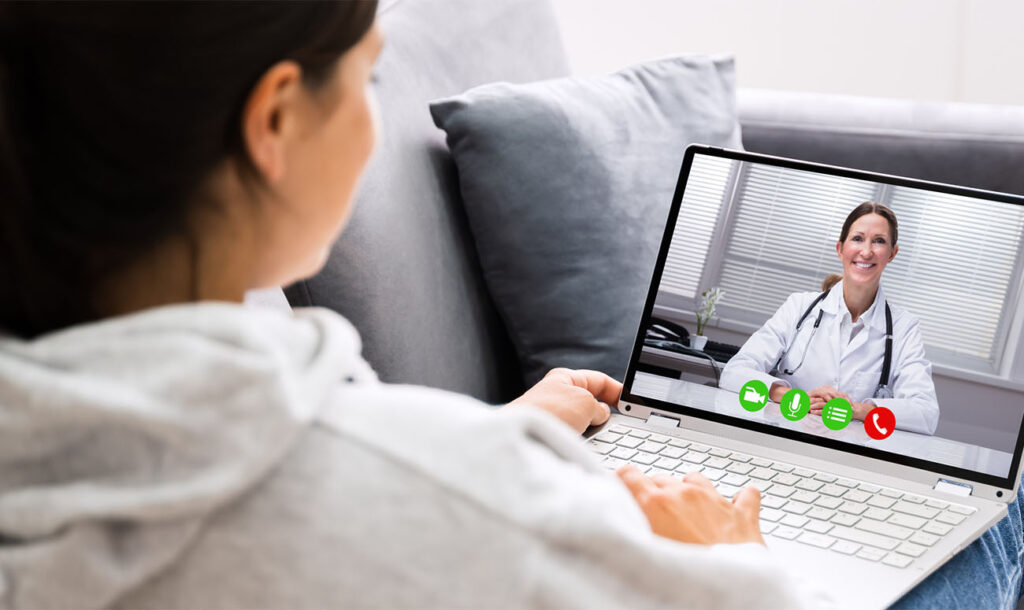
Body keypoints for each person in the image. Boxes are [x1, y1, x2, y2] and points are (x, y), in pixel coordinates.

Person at [0, 3, 1017, 609]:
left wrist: (483, 436)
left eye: (880, 243)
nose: (865, 251)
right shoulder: (473, 505)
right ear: (273, 120)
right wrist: (730, 559)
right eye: (367, 76)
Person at [721, 202, 940, 435]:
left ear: (892, 253)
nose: (866, 251)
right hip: (781, 437)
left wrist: (855, 410)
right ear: (840, 248)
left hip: (850, 456)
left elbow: (925, 414)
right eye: (857, 238)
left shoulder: (903, 328)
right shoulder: (798, 306)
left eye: (879, 241)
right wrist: (797, 399)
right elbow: (734, 374)